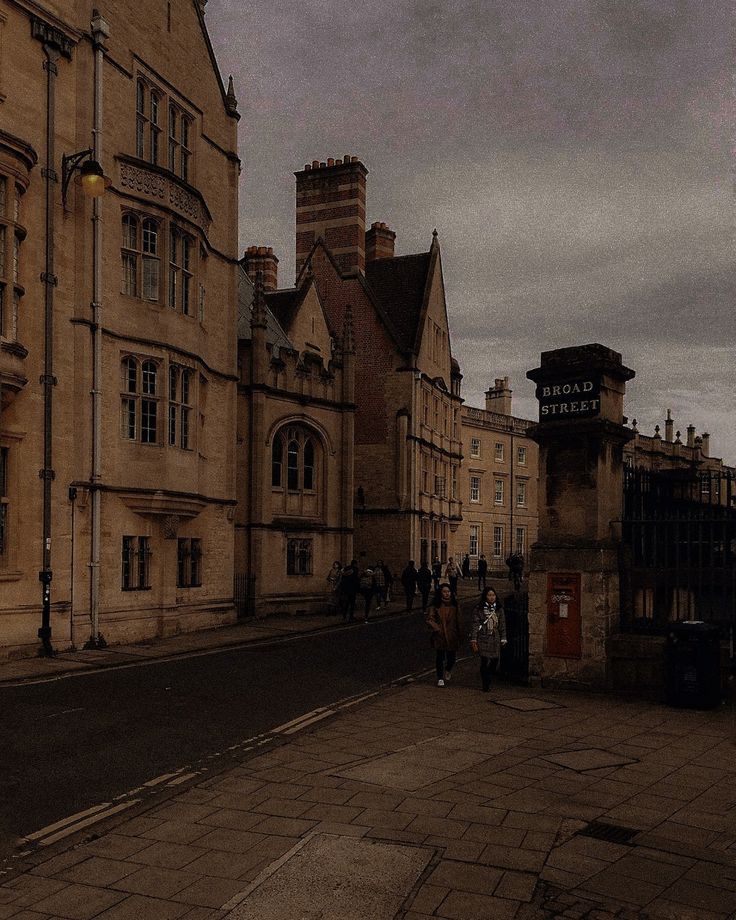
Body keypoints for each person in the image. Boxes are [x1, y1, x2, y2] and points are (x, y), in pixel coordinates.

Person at [470, 586, 507, 692]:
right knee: (484, 660)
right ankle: (485, 683)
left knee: (495, 660)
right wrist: (474, 639)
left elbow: (502, 625)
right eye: (489, 595)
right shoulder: (479, 609)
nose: (491, 597)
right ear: (485, 596)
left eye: (493, 595)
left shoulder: (499, 609)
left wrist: (504, 638)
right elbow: (475, 624)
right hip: (483, 636)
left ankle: (488, 677)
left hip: (495, 637)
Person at [426, 583, 463, 687]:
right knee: (440, 657)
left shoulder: (455, 605)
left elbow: (459, 620)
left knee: (452, 658)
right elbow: (430, 619)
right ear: (441, 593)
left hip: (452, 634)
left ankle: (448, 669)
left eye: (448, 592)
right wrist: (437, 629)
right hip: (440, 635)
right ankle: (440, 678)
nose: (447, 594)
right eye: (444, 592)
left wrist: (460, 633)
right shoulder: (436, 605)